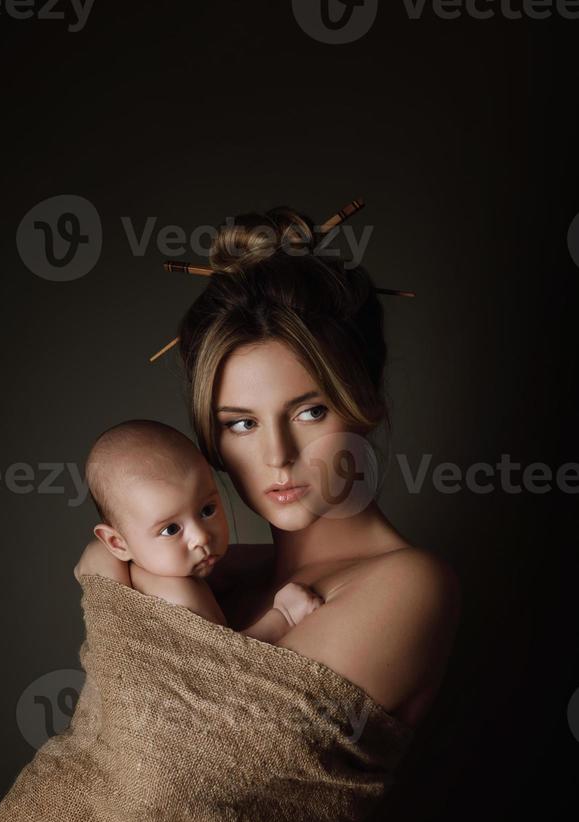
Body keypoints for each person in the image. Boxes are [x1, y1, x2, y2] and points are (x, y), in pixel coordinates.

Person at [75, 203, 462, 731]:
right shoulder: (223, 573)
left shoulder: (408, 586)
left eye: (310, 411)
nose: (278, 456)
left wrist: (103, 570)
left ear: (364, 404)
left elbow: (195, 757)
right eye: (241, 424)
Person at [81, 417, 323, 642]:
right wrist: (284, 615)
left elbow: (245, 561)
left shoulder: (163, 567)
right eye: (171, 529)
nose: (201, 537)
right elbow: (227, 664)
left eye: (207, 510)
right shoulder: (179, 595)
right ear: (117, 544)